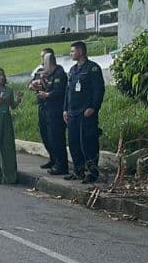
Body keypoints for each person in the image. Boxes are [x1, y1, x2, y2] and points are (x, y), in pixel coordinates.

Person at [63, 41, 105, 184]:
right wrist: (65, 109)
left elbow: (99, 90)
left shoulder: (92, 68)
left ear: (80, 51)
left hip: (86, 113)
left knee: (88, 143)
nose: (71, 53)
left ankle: (92, 172)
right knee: (74, 143)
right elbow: (68, 91)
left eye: (72, 51)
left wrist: (93, 107)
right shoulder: (73, 70)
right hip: (73, 113)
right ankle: (78, 170)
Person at [37, 52, 69, 175]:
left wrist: (47, 95)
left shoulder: (59, 74)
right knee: (49, 137)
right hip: (47, 110)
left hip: (56, 111)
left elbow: (60, 91)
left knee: (57, 138)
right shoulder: (48, 75)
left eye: (45, 63)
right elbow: (47, 87)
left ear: (51, 63)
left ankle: (61, 165)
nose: (44, 66)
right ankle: (54, 161)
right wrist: (42, 82)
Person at [29, 48, 56, 169]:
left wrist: (43, 83)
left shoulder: (55, 71)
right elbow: (30, 85)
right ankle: (52, 158)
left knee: (53, 135)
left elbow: (55, 88)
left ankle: (58, 160)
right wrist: (34, 85)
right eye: (41, 57)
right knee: (44, 134)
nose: (42, 60)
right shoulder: (39, 70)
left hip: (52, 106)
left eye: (44, 57)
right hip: (41, 105)